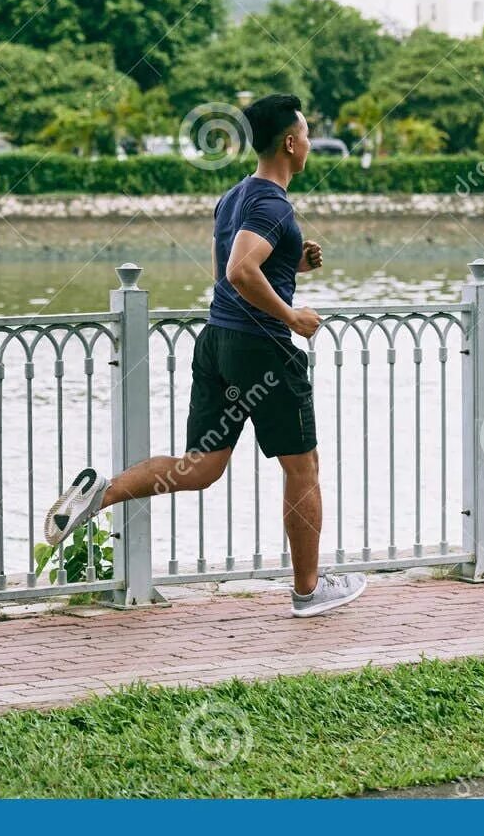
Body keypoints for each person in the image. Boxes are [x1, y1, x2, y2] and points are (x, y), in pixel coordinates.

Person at [45, 94, 365, 617]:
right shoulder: (272, 204)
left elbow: (229, 275)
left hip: (217, 343)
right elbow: (241, 271)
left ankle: (100, 495)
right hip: (263, 348)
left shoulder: (234, 196)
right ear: (290, 142)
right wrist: (292, 315)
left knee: (200, 467)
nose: (309, 143)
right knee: (302, 469)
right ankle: (309, 591)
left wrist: (290, 265)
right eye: (305, 134)